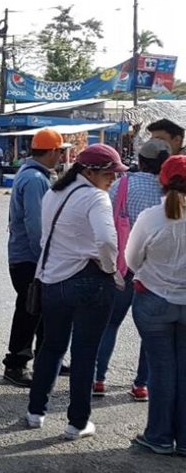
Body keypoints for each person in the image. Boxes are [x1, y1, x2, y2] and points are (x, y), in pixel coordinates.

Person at [26, 144, 126, 440]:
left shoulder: (53, 193)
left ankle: (35, 411)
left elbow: (46, 237)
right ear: (89, 171)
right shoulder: (96, 198)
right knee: (85, 353)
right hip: (89, 281)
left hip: (52, 280)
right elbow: (108, 241)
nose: (113, 179)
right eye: (109, 173)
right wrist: (109, 269)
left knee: (51, 347)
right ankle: (77, 422)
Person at [94, 138, 169, 400]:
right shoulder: (168, 191)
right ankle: (141, 385)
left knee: (109, 324)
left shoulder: (123, 184)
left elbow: (107, 218)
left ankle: (98, 378)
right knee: (151, 331)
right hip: (154, 272)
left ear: (141, 160)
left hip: (123, 266)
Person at [126, 154, 186, 454]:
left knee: (161, 370)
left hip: (153, 300)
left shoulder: (151, 217)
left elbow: (132, 260)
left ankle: (159, 436)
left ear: (162, 180)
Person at [3, 128, 64, 386]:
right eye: (60, 152)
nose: (61, 157)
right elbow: (35, 225)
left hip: (27, 256)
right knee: (28, 312)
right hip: (30, 258)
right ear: (51, 152)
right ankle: (16, 364)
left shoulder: (32, 175)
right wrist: (44, 258)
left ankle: (45, 357)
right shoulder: (35, 180)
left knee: (38, 310)